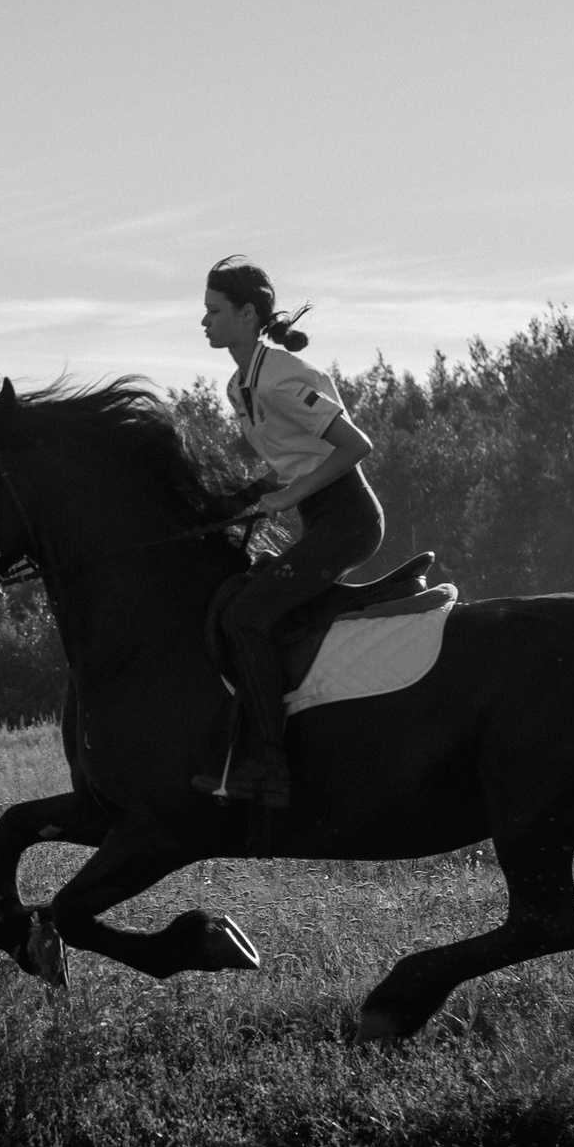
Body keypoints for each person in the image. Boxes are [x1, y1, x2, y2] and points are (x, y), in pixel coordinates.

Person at [196, 255, 382, 807]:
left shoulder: (279, 377)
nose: (203, 321)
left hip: (349, 521)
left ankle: (270, 767)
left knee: (245, 615)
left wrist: (288, 497)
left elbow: (356, 446)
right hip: (319, 520)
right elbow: (292, 460)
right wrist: (244, 498)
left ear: (247, 315)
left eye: (213, 311)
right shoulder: (238, 386)